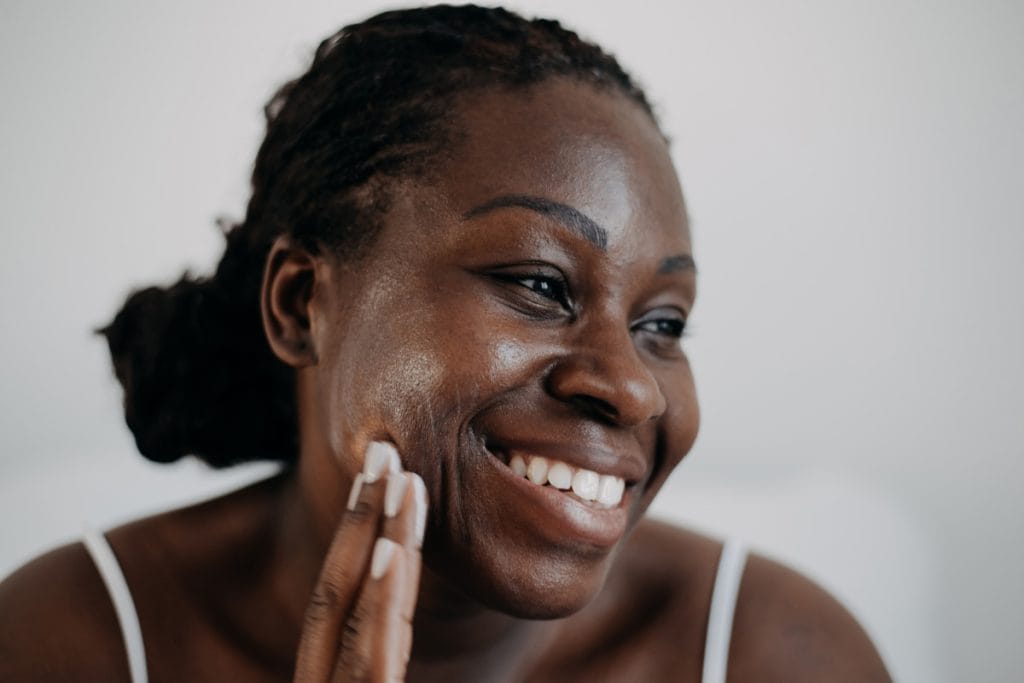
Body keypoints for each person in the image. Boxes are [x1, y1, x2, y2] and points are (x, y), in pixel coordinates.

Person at [0, 5, 890, 681]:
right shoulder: (67, 642)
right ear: (303, 304)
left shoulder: (776, 652)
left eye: (662, 324)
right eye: (540, 285)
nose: (632, 387)